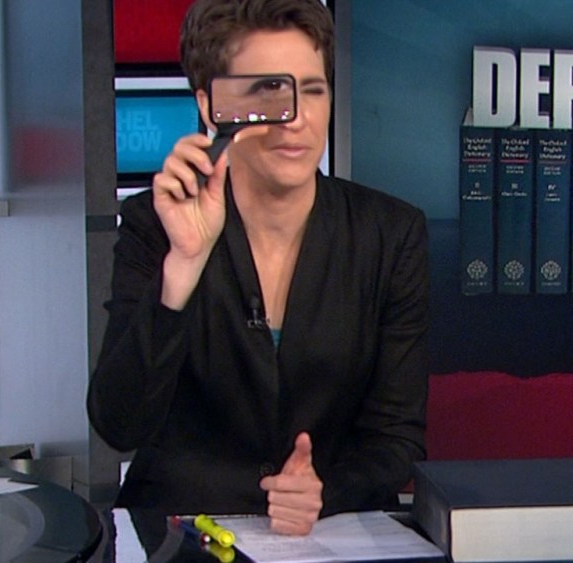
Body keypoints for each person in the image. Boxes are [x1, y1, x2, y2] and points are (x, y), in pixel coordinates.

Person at [87, 0, 429, 536]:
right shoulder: (153, 224)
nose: (296, 119)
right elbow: (119, 423)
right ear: (211, 106)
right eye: (266, 92)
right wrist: (184, 264)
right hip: (183, 536)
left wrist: (323, 492)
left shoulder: (389, 234)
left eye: (312, 90)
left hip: (328, 536)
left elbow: (397, 438)